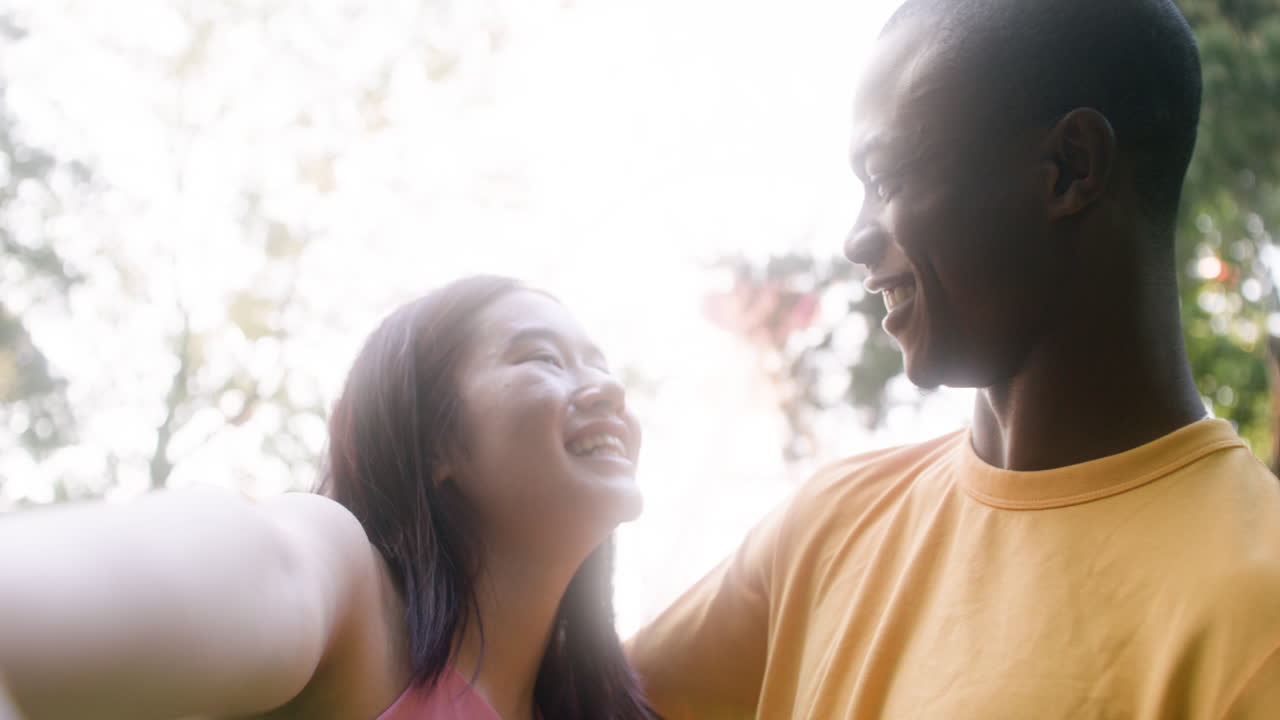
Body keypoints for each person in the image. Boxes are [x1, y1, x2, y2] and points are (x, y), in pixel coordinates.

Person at [627, 0, 1280, 717]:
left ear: (1069, 168)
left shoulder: (1257, 617)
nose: (856, 238)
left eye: (887, 179)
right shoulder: (829, 526)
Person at [0, 275, 658, 720]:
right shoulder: (349, 595)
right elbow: (265, 563)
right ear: (435, 443)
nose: (609, 390)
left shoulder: (628, 697)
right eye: (543, 358)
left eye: (600, 364)